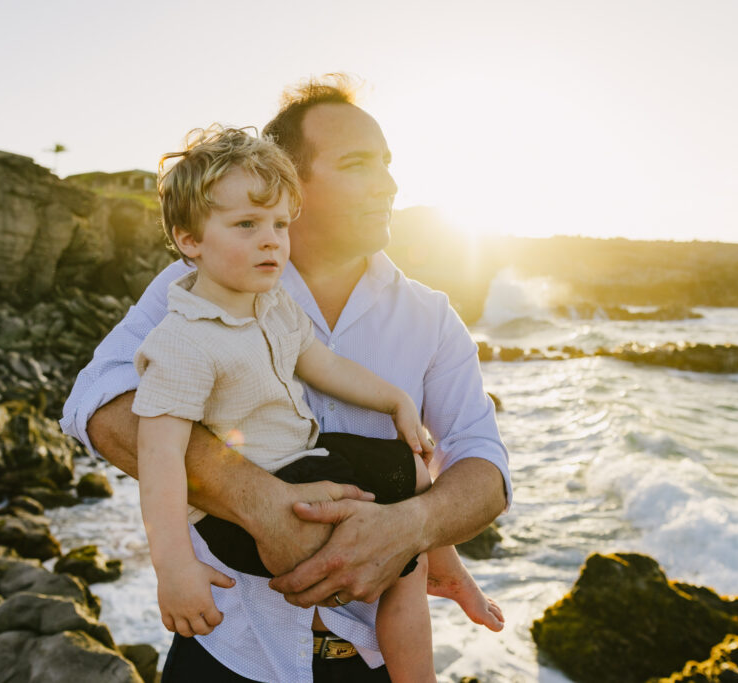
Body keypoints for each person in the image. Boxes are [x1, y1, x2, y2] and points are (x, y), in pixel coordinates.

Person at [61, 75, 512, 682]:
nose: (388, 182)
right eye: (357, 164)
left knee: (408, 474)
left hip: (376, 657)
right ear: (290, 180)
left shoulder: (429, 316)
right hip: (230, 644)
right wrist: (259, 505)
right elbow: (97, 404)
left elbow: (483, 466)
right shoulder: (195, 293)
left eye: (387, 162)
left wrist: (413, 530)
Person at [137, 125, 458, 681]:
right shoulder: (182, 341)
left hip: (306, 459)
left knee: (409, 479)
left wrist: (396, 398)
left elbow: (321, 364)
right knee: (393, 556)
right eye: (247, 225)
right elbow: (160, 460)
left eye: (280, 224)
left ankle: (435, 573)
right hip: (245, 510)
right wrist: (174, 568)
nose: (272, 241)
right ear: (190, 240)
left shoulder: (272, 302)